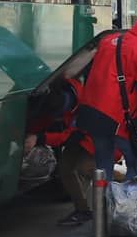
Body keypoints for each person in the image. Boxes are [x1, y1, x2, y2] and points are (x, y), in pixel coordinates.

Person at [77, 11, 137, 181]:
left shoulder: (108, 41)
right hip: (120, 119)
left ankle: (103, 204)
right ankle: (129, 205)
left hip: (95, 114)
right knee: (135, 164)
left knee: (103, 165)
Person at [25, 77, 122, 226]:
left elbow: (68, 136)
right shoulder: (64, 91)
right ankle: (82, 210)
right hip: (81, 137)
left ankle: (130, 182)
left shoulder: (84, 109)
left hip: (97, 139)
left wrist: (39, 138)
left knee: (87, 168)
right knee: (66, 168)